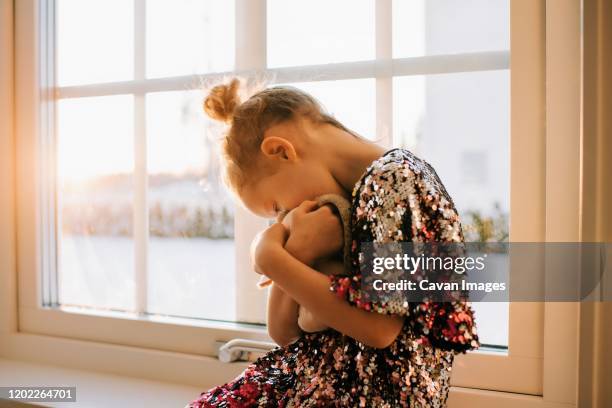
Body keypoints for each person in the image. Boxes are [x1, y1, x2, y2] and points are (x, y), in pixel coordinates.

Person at [186, 78, 479, 407]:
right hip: (321, 377)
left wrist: (271, 258)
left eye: (277, 208)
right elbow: (283, 332)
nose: (285, 219)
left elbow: (380, 328)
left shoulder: (395, 180)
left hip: (373, 396)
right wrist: (294, 252)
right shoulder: (339, 206)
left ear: (281, 150)